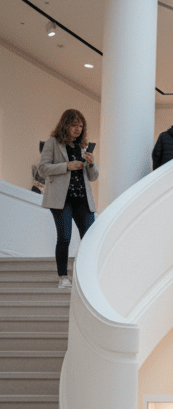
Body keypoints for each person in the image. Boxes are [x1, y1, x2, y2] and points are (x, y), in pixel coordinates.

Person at [37, 108, 99, 288]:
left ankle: (88, 276)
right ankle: (63, 277)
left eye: (81, 126)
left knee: (90, 239)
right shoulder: (53, 143)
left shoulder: (83, 146)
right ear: (65, 125)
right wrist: (67, 166)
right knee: (64, 237)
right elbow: (43, 168)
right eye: (74, 125)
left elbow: (93, 177)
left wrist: (92, 164)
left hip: (83, 199)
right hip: (61, 199)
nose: (78, 129)